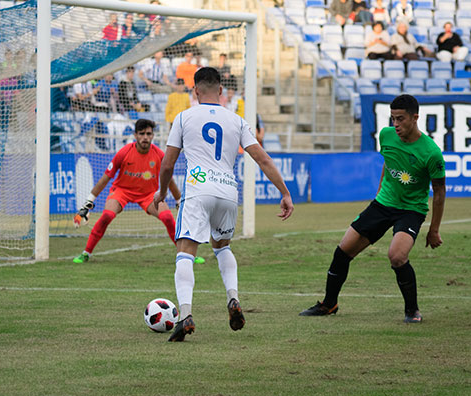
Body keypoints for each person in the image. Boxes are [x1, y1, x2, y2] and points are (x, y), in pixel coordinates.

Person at [153, 67, 294, 342]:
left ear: (195, 91)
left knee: (185, 251)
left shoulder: (183, 117)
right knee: (222, 247)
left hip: (198, 189)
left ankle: (186, 314)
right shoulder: (237, 121)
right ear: (220, 90)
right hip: (228, 191)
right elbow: (263, 159)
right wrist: (285, 192)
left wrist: (161, 192)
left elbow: (167, 163)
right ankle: (233, 298)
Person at [299, 94, 445, 324]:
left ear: (415, 118)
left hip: (411, 210)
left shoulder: (432, 153)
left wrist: (434, 229)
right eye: (392, 119)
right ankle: (329, 304)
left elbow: (439, 192)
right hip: (383, 204)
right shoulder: (386, 135)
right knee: (342, 252)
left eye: (401, 119)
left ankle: (412, 310)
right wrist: (379, 194)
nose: (395, 124)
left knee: (397, 257)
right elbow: (389, 164)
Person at [72, 119, 185, 264]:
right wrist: (89, 201)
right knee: (107, 215)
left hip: (149, 195)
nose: (145, 137)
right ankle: (86, 253)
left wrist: (178, 201)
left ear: (153, 135)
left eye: (148, 134)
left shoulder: (159, 155)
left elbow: (169, 180)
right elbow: (105, 178)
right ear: (135, 135)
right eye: (142, 133)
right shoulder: (124, 152)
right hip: (122, 191)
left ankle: (185, 255)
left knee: (168, 218)